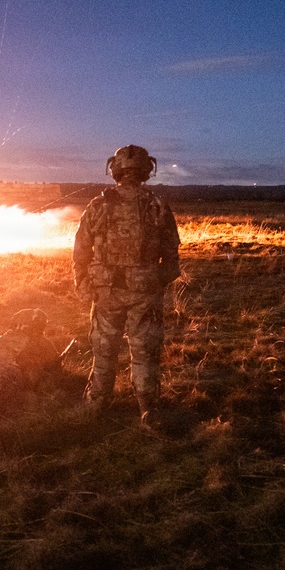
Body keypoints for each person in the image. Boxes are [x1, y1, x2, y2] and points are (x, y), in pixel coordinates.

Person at [72, 145, 181, 425]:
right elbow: (171, 258)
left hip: (106, 293)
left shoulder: (98, 205)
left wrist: (84, 284)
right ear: (146, 170)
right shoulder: (158, 206)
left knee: (103, 351)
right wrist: (153, 280)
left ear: (115, 169)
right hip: (144, 293)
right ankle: (148, 410)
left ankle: (96, 405)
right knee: (145, 353)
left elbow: (80, 251)